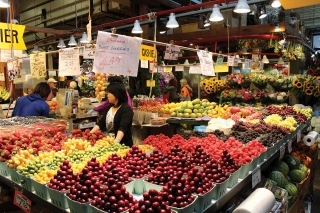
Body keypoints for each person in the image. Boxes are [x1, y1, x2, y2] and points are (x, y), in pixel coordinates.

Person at [90, 81, 134, 147]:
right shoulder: (109, 107)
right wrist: (90, 134)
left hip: (122, 145)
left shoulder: (126, 109)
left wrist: (116, 143)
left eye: (109, 93)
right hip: (108, 143)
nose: (107, 95)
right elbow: (101, 123)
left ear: (116, 94)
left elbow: (122, 128)